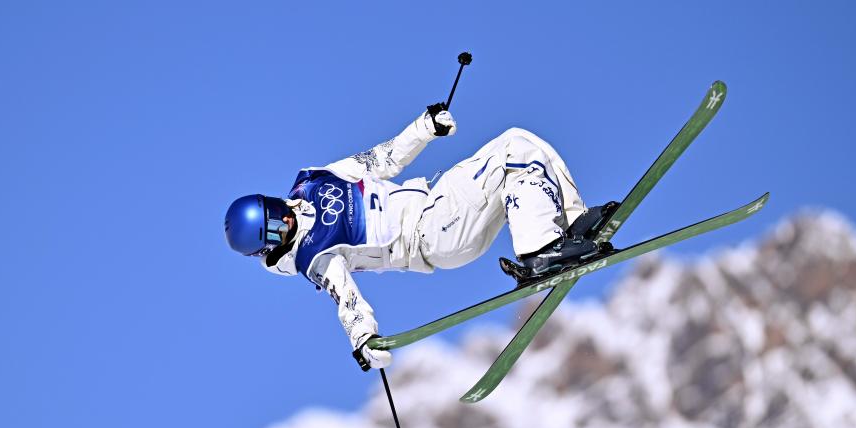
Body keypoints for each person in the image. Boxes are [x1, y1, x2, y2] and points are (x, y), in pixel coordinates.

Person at [224, 106, 610, 369]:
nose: (284, 221)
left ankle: (570, 225)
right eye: (274, 231)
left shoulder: (313, 180)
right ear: (269, 247)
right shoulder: (313, 255)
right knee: (512, 152)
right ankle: (539, 251)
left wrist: (424, 128)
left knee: (519, 140)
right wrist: (364, 339)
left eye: (274, 211)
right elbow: (346, 298)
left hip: (435, 199)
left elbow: (381, 159)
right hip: (432, 234)